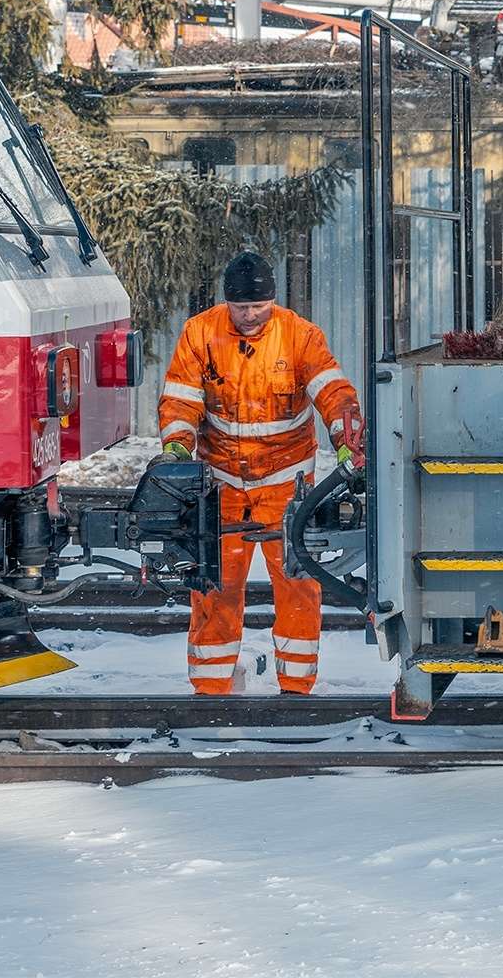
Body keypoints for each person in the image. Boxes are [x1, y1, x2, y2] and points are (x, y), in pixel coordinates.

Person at [156, 251, 365, 695]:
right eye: (241, 308)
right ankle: (210, 690)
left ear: (273, 300)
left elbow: (332, 391)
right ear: (226, 302)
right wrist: (177, 446)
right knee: (215, 584)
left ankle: (297, 686)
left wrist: (348, 438)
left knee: (297, 584)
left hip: (287, 485)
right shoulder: (201, 333)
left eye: (258, 307)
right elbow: (180, 400)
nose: (250, 316)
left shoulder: (300, 336)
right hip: (221, 483)